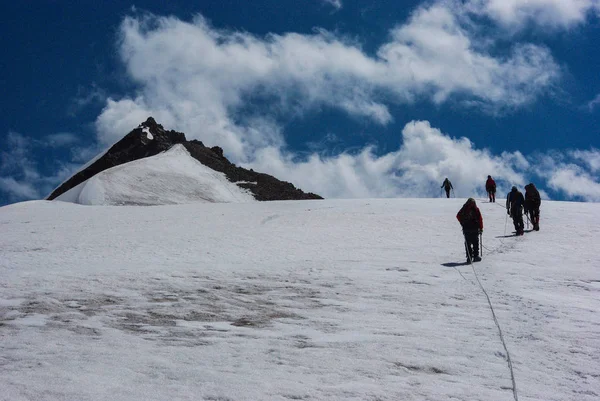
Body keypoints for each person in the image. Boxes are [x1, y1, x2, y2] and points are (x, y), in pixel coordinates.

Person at [456, 198, 483, 263]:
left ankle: (469, 257)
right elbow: (480, 219)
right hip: (475, 229)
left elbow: (458, 216)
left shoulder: (464, 209)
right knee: (475, 242)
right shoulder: (476, 209)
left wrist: (462, 223)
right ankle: (476, 256)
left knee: (467, 243)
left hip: (466, 229)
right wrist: (481, 228)